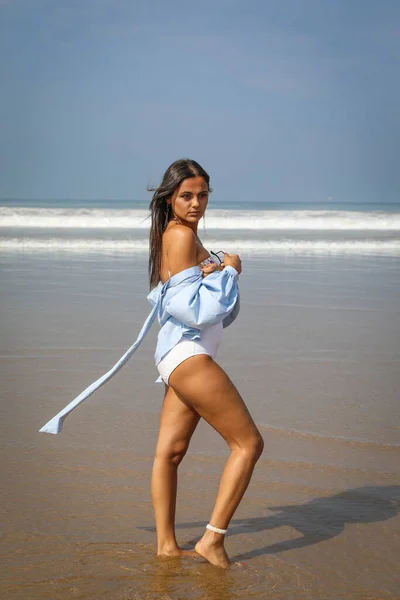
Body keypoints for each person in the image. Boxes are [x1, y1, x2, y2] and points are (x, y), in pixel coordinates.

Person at [148, 158, 264, 569]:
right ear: (170, 197)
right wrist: (230, 271)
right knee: (248, 444)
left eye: (202, 195)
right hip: (189, 354)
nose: (196, 203)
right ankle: (212, 540)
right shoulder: (179, 236)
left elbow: (195, 301)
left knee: (170, 453)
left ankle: (166, 547)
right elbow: (193, 311)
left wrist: (216, 266)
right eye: (187, 195)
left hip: (178, 356)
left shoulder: (181, 237)